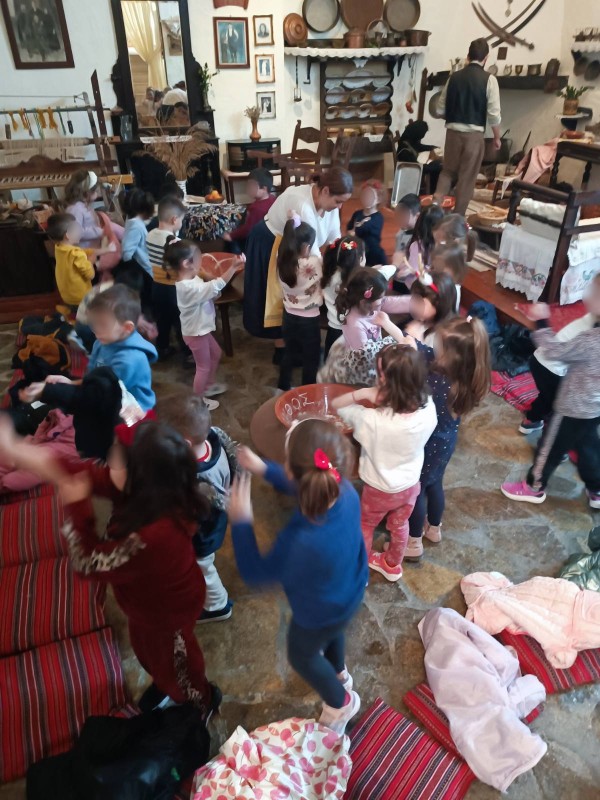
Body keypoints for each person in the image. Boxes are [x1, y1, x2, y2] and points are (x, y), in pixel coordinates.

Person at [0, 418, 221, 719]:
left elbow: (87, 562)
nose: (107, 467)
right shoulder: (154, 487)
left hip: (167, 614)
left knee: (178, 665)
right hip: (147, 605)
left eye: (115, 462)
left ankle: (201, 703)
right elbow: (83, 473)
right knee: (150, 654)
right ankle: (165, 682)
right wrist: (16, 450)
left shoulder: (152, 536)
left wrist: (78, 507)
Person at [231, 420, 368, 734]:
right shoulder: (344, 489)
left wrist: (241, 522)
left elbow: (254, 572)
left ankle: (340, 701)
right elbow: (304, 480)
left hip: (318, 612)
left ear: (292, 473)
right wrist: (263, 468)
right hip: (350, 589)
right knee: (335, 630)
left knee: (301, 654)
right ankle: (339, 673)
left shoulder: (300, 541)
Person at [332, 344, 437, 582]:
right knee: (399, 525)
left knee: (365, 524)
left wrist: (362, 393)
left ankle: (359, 570)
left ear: (386, 382)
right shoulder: (429, 407)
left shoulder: (372, 420)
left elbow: (338, 405)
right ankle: (392, 565)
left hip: (379, 488)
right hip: (410, 485)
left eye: (380, 374)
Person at [501, 281, 600, 509]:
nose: (587, 296)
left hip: (571, 407)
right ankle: (596, 490)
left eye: (595, 293)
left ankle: (533, 486)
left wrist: (541, 320)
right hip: (594, 408)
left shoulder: (592, 340)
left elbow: (555, 352)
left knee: (549, 448)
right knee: (589, 447)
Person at [244, 168, 352, 362]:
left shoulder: (329, 206)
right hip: (270, 242)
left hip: (297, 248)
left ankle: (294, 345)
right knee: (282, 296)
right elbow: (313, 253)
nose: (340, 206)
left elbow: (334, 238)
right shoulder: (302, 205)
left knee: (295, 295)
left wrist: (343, 261)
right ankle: (282, 350)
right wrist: (332, 277)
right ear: (325, 191)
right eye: (338, 201)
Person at [405, 317, 491, 560]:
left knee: (416, 490)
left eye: (439, 344)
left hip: (429, 442)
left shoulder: (437, 380)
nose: (434, 346)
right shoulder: (465, 378)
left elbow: (418, 360)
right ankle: (434, 529)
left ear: (451, 356)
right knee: (434, 484)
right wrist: (406, 336)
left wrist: (409, 337)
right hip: (446, 442)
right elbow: (422, 350)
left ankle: (413, 542)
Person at [157, 392, 238, 623]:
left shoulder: (195, 481)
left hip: (203, 534)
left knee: (203, 567)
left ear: (184, 444)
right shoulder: (213, 438)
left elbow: (183, 513)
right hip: (212, 520)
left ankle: (217, 605)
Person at [165, 240, 244, 409]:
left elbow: (208, 293)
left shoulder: (192, 279)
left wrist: (212, 295)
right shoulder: (187, 287)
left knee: (216, 353)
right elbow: (215, 285)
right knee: (203, 367)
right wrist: (232, 267)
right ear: (186, 264)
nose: (201, 262)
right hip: (196, 333)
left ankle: (208, 386)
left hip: (201, 330)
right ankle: (198, 401)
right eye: (198, 259)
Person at [434, 38, 502, 215]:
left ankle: (434, 208)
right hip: (474, 137)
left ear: (468, 56)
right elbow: (494, 115)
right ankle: (457, 218)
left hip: (452, 134)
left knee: (447, 172)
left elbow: (439, 109)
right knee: (467, 178)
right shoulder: (490, 80)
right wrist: (497, 137)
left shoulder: (453, 78)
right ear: (486, 58)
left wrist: (454, 116)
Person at [518, 288, 598, 435]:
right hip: (552, 368)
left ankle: (534, 418)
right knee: (556, 402)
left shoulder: (593, 319)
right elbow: (556, 352)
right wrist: (541, 321)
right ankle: (533, 422)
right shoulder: (592, 335)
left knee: (548, 394)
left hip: (541, 360)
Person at [276, 218, 322, 391]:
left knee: (289, 352)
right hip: (309, 320)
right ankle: (307, 391)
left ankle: (283, 386)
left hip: (288, 316)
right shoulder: (313, 263)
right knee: (311, 358)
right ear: (306, 247)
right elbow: (320, 258)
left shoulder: (281, 259)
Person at [46, 213, 115, 311]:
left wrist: (106, 250)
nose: (81, 231)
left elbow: (85, 251)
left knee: (74, 310)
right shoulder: (77, 254)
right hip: (80, 296)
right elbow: (90, 275)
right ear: (67, 235)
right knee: (87, 314)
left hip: (67, 294)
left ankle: (68, 312)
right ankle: (68, 317)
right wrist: (91, 262)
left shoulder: (60, 248)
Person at [147, 196, 187, 359]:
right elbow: (182, 269)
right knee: (181, 322)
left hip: (156, 286)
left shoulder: (150, 235)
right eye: (181, 220)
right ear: (174, 219)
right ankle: (188, 354)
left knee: (162, 320)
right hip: (174, 289)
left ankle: (162, 348)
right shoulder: (175, 242)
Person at [336, 268, 411, 350]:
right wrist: (390, 343)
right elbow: (364, 354)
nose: (383, 300)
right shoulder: (355, 326)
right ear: (364, 302)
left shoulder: (371, 309)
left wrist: (387, 323)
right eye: (380, 298)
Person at [64, 169, 123, 249]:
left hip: (94, 246)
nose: (98, 193)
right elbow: (75, 233)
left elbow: (88, 221)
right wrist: (100, 231)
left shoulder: (82, 205)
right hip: (85, 252)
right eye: (96, 191)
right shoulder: (75, 209)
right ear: (87, 193)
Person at [223, 168, 276, 254]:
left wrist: (231, 236)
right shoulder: (272, 198)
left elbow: (247, 230)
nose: (248, 189)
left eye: (252, 186)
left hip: (255, 243)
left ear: (264, 189)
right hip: (266, 239)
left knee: (228, 241)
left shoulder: (257, 209)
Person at [118, 189, 155, 312]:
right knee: (147, 302)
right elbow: (126, 252)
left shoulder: (133, 220)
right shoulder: (136, 226)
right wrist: (136, 270)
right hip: (143, 269)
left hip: (144, 267)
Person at [406, 273, 457, 346]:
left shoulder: (443, 337)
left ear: (438, 304)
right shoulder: (425, 320)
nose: (414, 306)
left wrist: (417, 342)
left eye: (420, 303)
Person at [347, 180, 387, 267]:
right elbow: (349, 227)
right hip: (359, 250)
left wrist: (355, 231)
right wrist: (350, 232)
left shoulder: (378, 217)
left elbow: (366, 228)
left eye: (371, 196)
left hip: (373, 253)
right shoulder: (357, 214)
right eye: (364, 195)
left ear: (378, 199)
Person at [396, 121, 442, 194]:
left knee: (437, 165)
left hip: (415, 167)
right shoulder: (405, 150)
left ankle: (433, 192)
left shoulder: (408, 141)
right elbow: (417, 168)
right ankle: (433, 192)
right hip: (411, 173)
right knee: (438, 167)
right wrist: (434, 165)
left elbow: (419, 147)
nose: (422, 137)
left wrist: (432, 147)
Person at [430, 243, 468, 312]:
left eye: (439, 269)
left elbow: (444, 313)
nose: (433, 273)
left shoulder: (451, 291)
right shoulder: (441, 281)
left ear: (456, 272)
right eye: (432, 267)